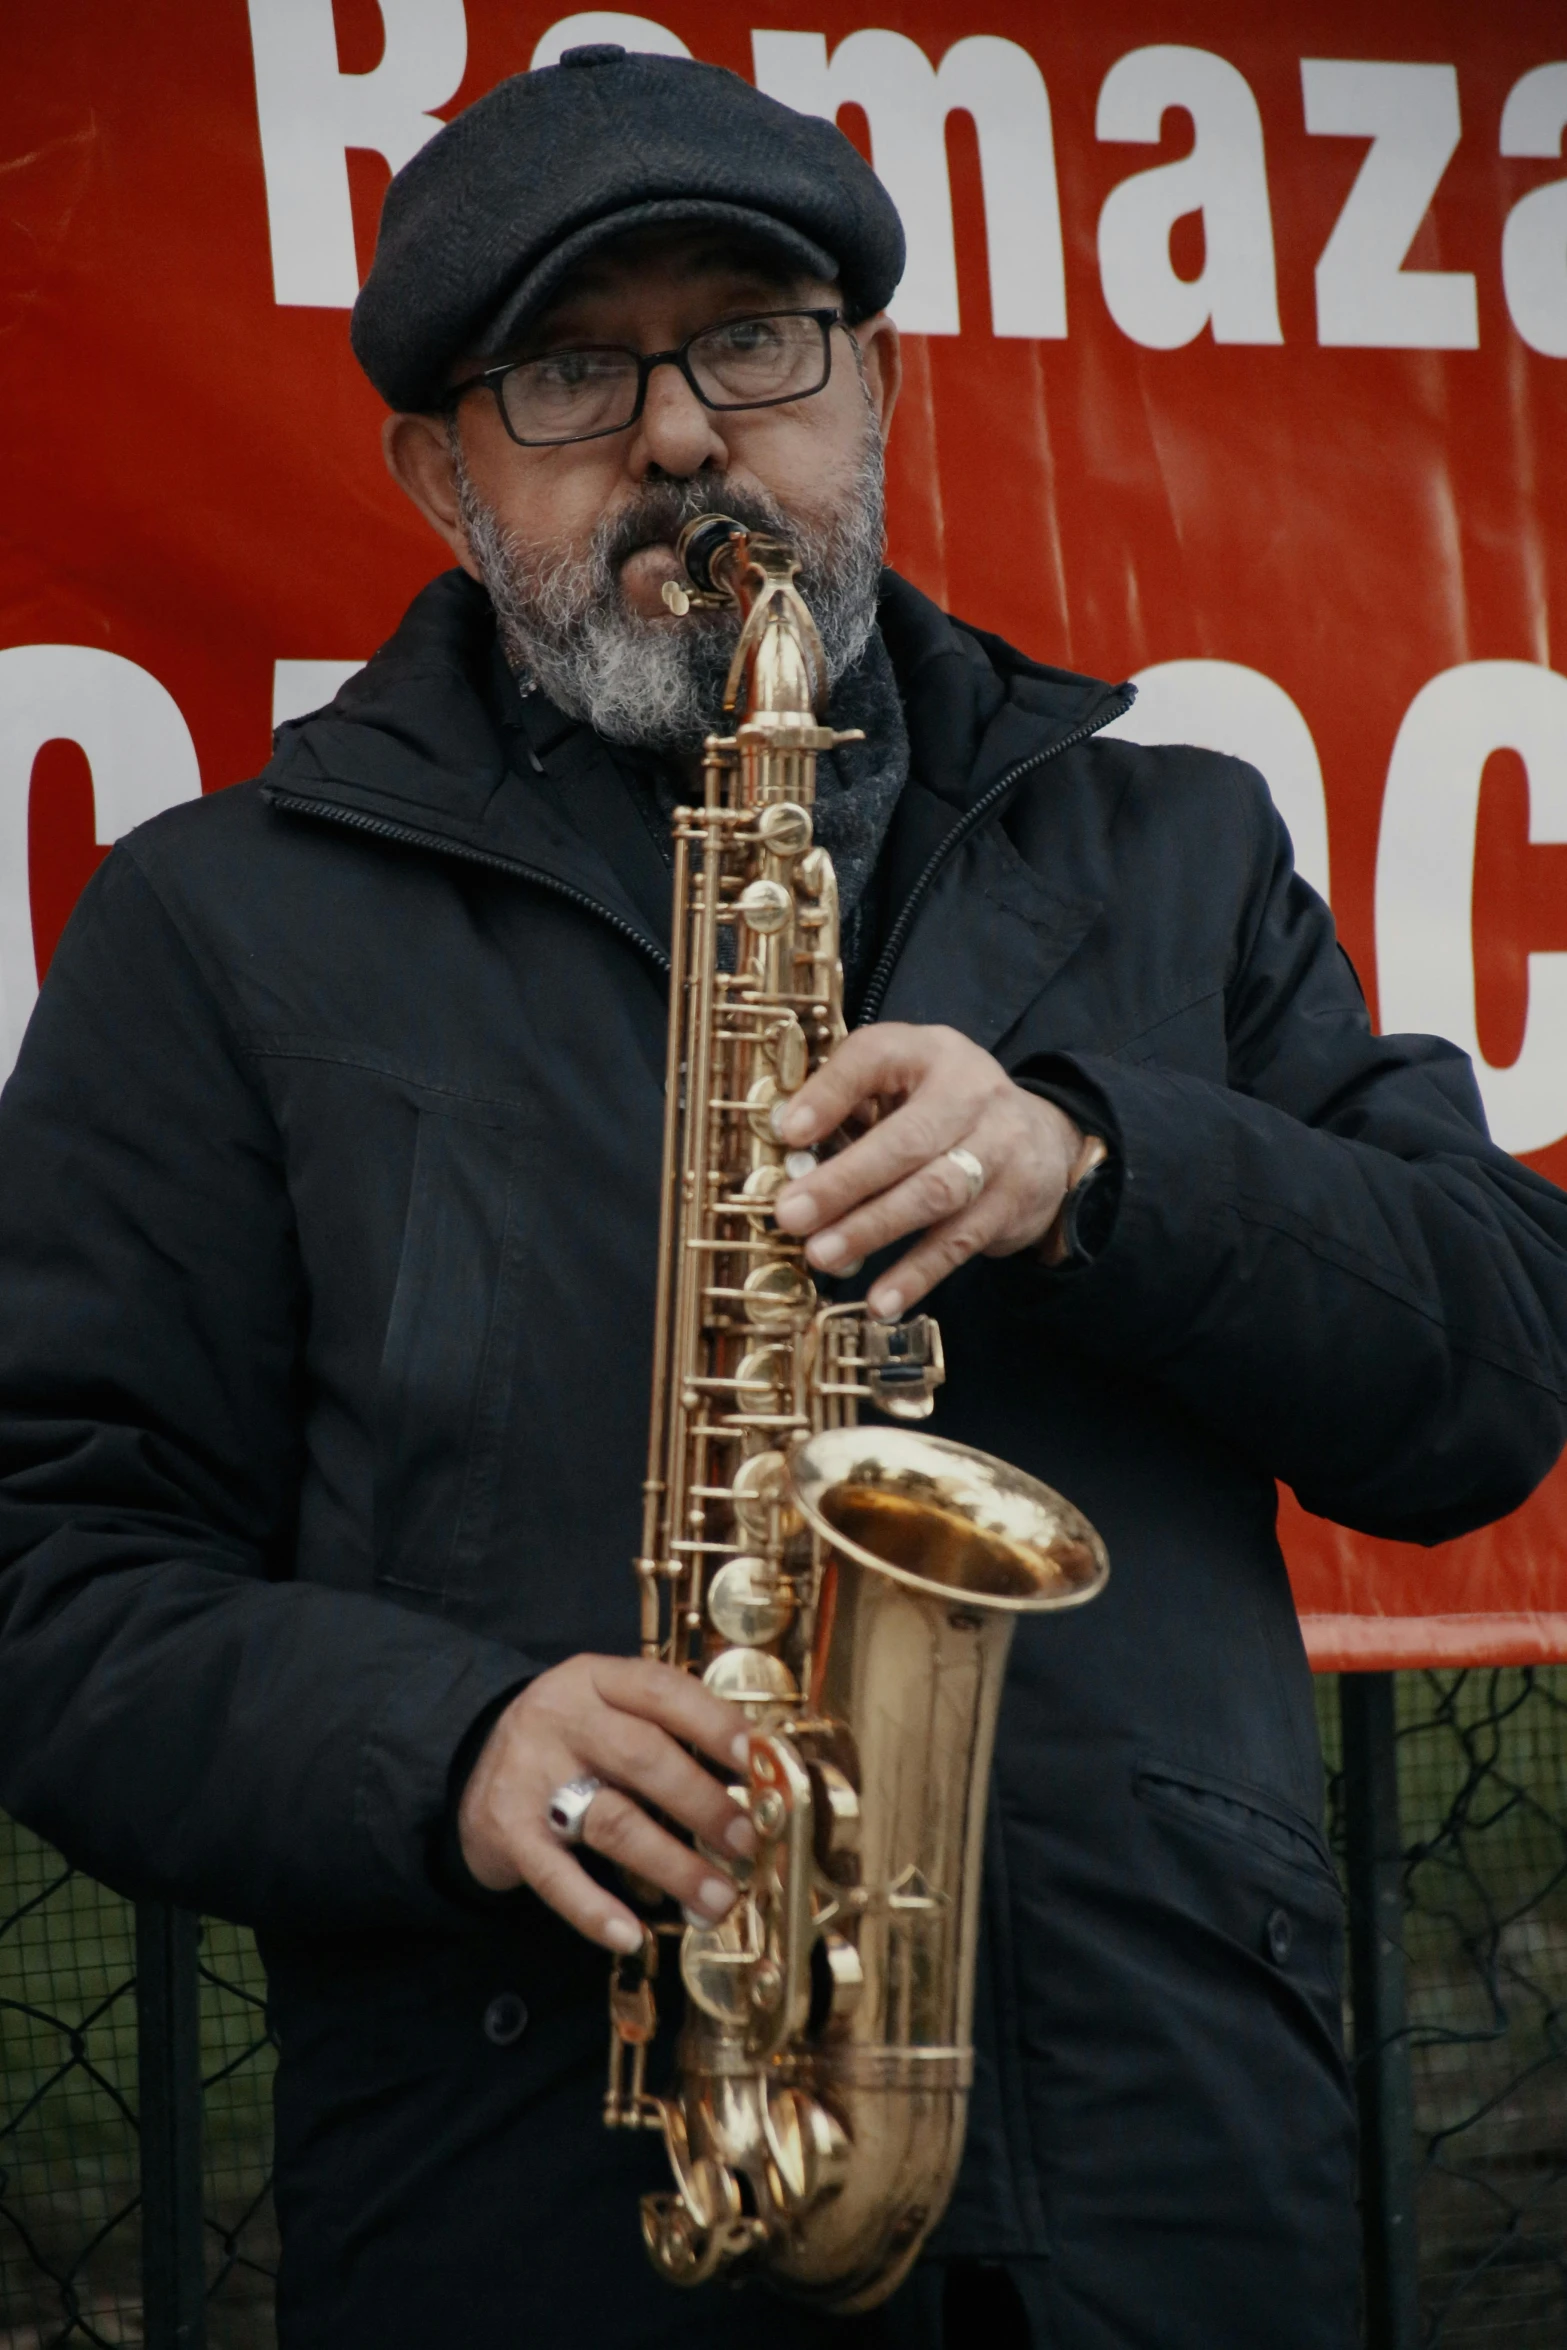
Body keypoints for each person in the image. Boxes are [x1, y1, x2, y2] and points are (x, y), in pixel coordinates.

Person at [1, 44, 1564, 2350]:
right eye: (568, 370)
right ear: (440, 472)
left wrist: (1101, 1167)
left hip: (1175, 2201)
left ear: (882, 385)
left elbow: (1493, 1370)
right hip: (538, 2211)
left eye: (756, 337)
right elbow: (54, 1571)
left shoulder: (1179, 847)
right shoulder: (214, 930)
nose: (685, 436)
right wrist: (450, 1738)